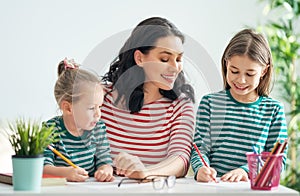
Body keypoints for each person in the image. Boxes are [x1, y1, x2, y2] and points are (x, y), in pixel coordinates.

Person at [100, 17, 195, 179]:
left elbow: (180, 159)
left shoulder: (181, 104)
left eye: (178, 59)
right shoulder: (103, 98)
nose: (175, 67)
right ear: (140, 58)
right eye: (164, 59)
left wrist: (144, 172)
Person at [191, 29, 288, 182]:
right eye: (234, 71)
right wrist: (200, 169)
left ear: (264, 71)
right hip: (214, 188)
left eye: (250, 74)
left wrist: (246, 171)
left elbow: (277, 161)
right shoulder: (210, 103)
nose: (241, 80)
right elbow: (199, 149)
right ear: (226, 63)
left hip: (250, 190)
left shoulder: (274, 110)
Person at [43, 58, 114, 182]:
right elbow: (42, 168)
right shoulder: (50, 129)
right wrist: (65, 173)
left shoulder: (98, 128)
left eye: (100, 107)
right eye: (92, 108)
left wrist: (105, 171)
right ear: (68, 108)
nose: (98, 114)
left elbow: (105, 160)